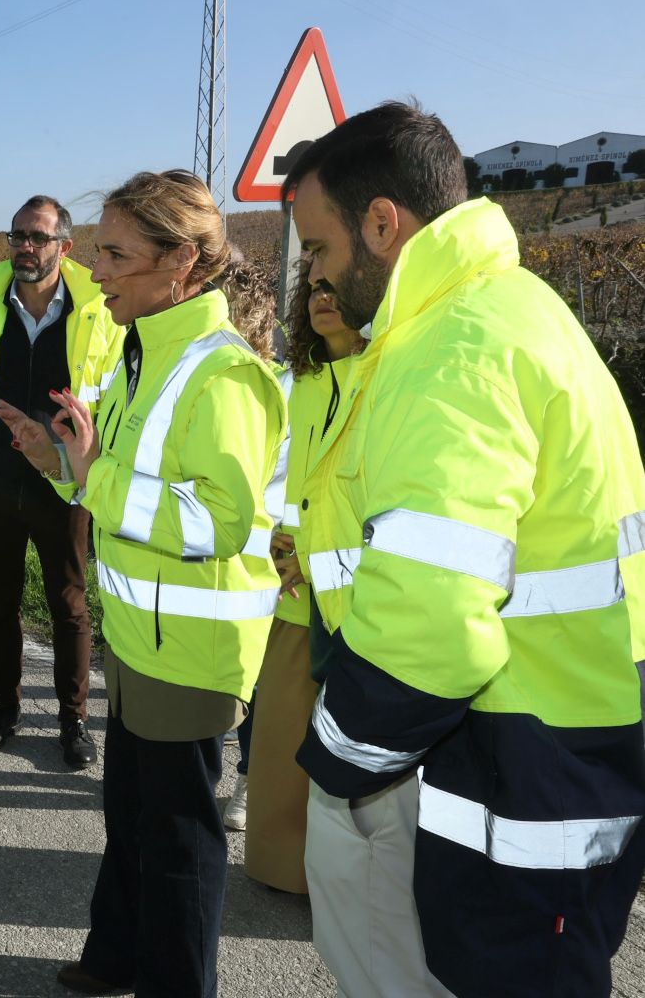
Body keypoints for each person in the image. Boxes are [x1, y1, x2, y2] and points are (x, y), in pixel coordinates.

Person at [284, 101, 645, 998]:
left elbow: (436, 616)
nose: (318, 274)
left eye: (321, 249)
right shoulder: (510, 308)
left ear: (381, 222)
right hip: (562, 738)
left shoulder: (450, 350)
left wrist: (338, 756)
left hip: (529, 762)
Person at [0, 170, 285, 997]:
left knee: (179, 849)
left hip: (189, 655)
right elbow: (113, 481)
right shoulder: (142, 355)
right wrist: (56, 462)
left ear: (182, 262)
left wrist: (90, 472)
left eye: (117, 254)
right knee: (130, 822)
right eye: (97, 252)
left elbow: (217, 521)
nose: (96, 272)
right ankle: (115, 960)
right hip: (139, 643)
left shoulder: (222, 374)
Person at [0, 195, 125, 767]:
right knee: (1, 602)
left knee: (68, 603)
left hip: (66, 484)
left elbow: (116, 398)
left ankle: (74, 720)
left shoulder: (98, 313)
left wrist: (89, 472)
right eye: (16, 236)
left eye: (36, 238)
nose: (23, 247)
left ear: (64, 247)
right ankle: (4, 710)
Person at [239, 260, 363, 890]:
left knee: (357, 761)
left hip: (363, 603)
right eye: (313, 289)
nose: (321, 300)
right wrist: (279, 546)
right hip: (292, 595)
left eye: (335, 289)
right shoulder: (295, 384)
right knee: (284, 744)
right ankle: (286, 871)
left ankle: (345, 884)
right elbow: (269, 486)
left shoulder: (389, 380)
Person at [209, 254, 281, 833]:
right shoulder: (199, 381)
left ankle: (251, 781)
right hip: (207, 568)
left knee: (258, 686)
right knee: (217, 682)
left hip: (270, 569)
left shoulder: (283, 386)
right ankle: (211, 770)